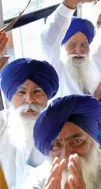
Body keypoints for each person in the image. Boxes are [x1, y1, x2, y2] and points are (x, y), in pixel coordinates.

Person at [27, 94, 101, 188]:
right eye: (56, 145)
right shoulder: (37, 180)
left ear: (92, 141)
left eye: (77, 141)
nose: (66, 156)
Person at [39, 0, 101, 101]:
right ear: (62, 46)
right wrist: (72, 0)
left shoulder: (93, 65)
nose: (79, 51)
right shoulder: (55, 69)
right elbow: (49, 40)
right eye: (72, 45)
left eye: (84, 44)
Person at [0, 58, 59, 189]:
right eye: (21, 92)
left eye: (37, 91)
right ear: (10, 95)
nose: (30, 99)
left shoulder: (60, 130)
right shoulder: (1, 123)